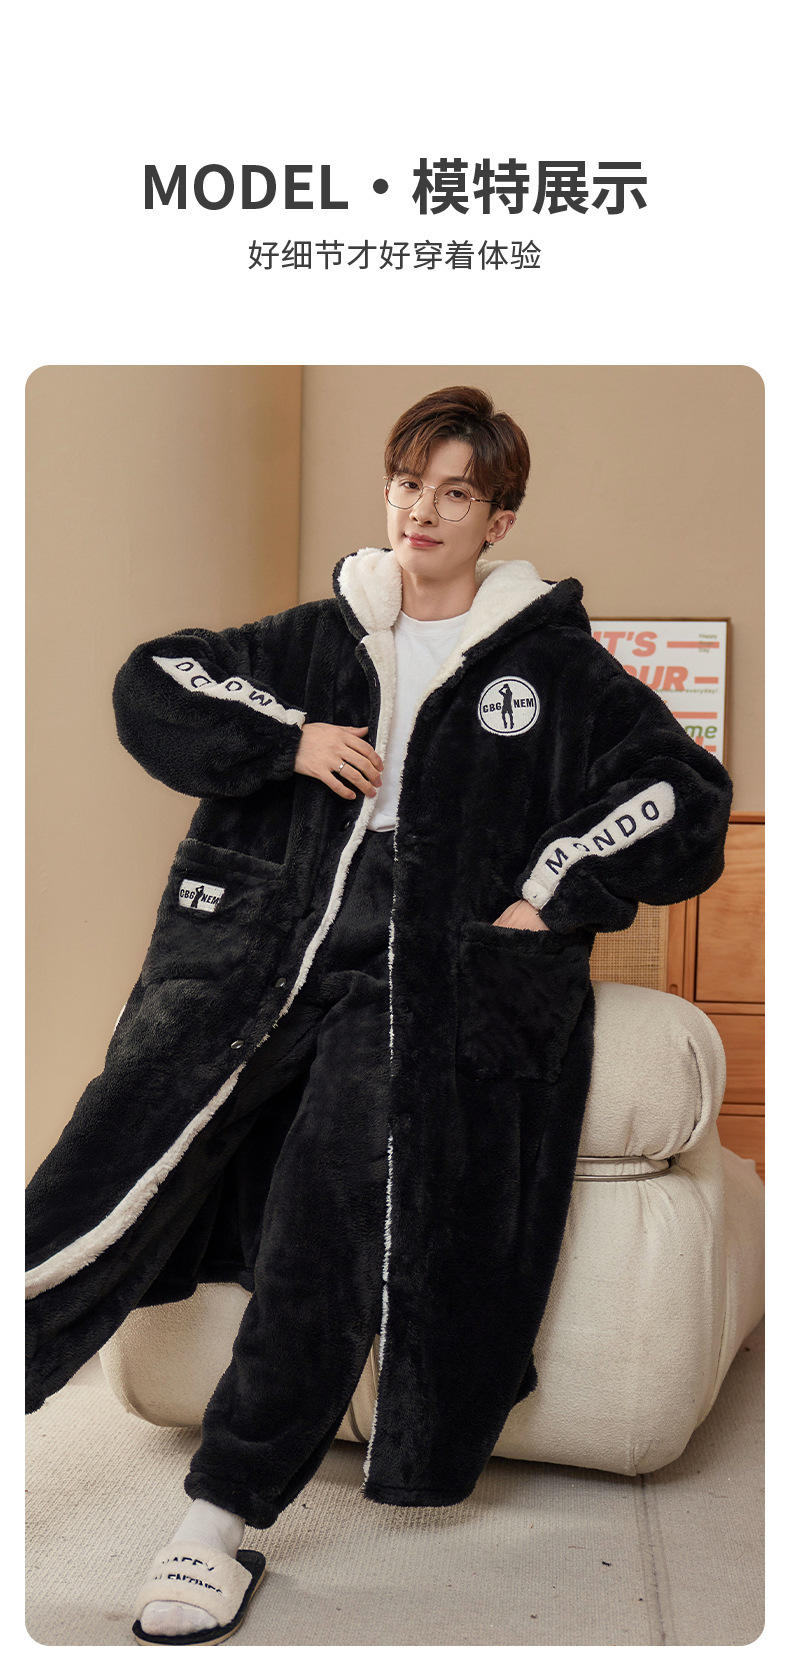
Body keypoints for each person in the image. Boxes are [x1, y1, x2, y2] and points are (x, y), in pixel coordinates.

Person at [26, 386, 733, 1645]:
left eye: (456, 491)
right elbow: (155, 680)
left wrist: (548, 887)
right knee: (103, 1168)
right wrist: (288, 738)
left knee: (331, 1217)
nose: (423, 509)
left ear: (496, 518)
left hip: (429, 973)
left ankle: (216, 1522)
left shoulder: (552, 669)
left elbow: (685, 793)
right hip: (259, 946)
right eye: (410, 482)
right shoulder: (315, 638)